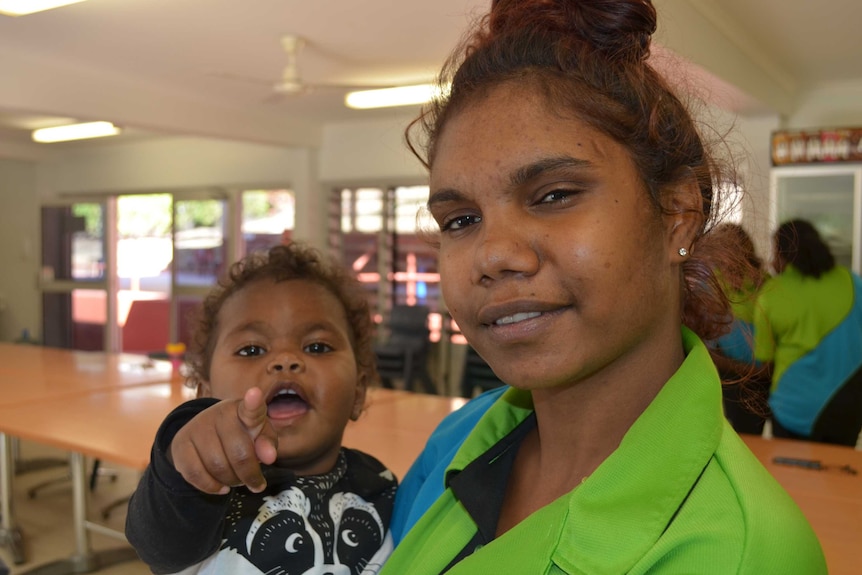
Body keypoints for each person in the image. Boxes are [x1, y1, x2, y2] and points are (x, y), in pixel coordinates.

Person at [381, 0, 827, 573]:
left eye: (554, 195)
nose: (492, 256)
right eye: (460, 220)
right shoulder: (462, 437)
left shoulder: (739, 552)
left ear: (677, 214)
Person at [125, 243, 397, 574]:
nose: (285, 360)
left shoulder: (381, 485)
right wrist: (184, 451)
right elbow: (156, 543)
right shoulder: (205, 488)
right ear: (205, 393)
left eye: (317, 346)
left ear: (358, 391)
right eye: (252, 349)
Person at [754, 219, 862, 446]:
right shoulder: (851, 282)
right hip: (847, 407)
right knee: (838, 476)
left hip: (792, 409)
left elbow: (765, 362)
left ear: (782, 254)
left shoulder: (771, 295)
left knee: (789, 479)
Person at [707, 223, 771, 434]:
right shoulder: (710, 281)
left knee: (751, 433)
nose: (728, 255)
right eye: (723, 249)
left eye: (734, 248)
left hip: (762, 374)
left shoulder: (764, 282)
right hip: (731, 371)